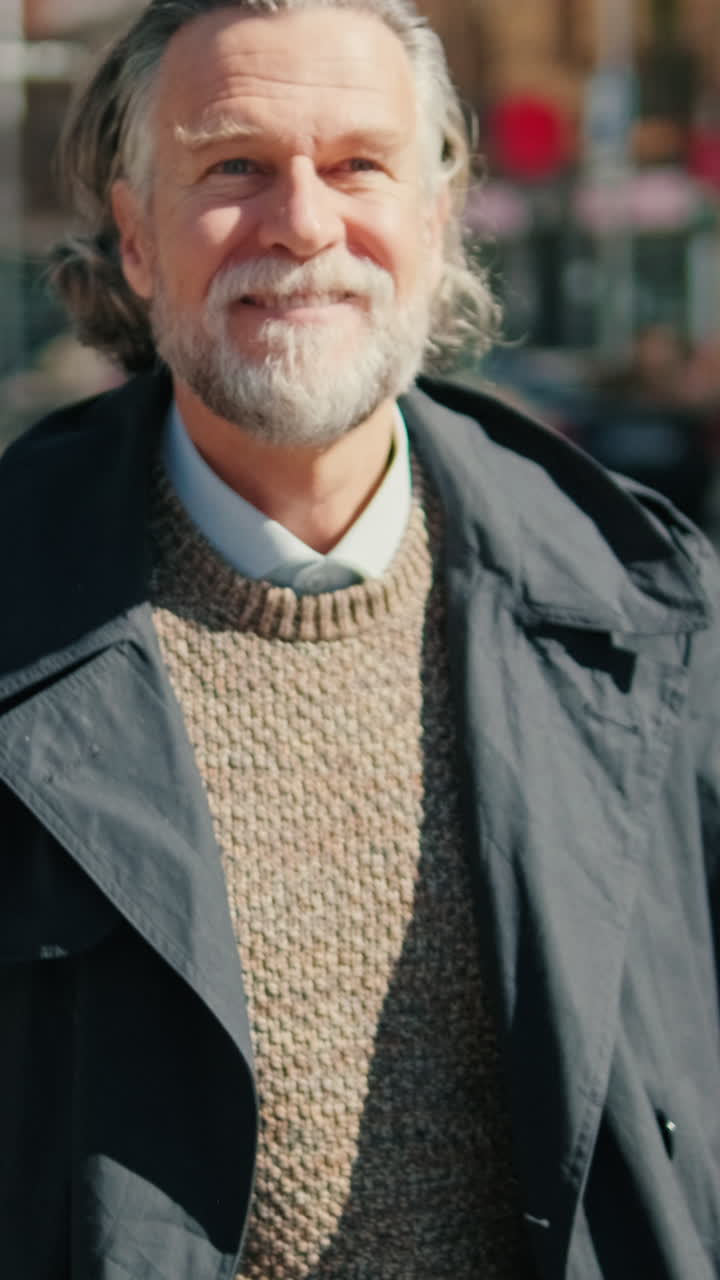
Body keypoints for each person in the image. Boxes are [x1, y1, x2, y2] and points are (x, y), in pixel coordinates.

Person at [0, 2, 718, 1278]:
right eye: (234, 165)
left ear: (438, 222)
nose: (303, 223)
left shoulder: (652, 617)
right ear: (137, 237)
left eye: (358, 165)